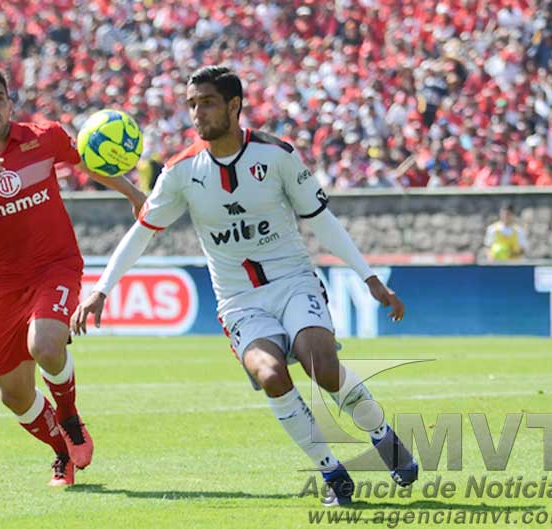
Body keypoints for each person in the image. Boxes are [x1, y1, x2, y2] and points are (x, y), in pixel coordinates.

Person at [71, 66, 418, 506]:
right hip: (238, 301)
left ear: (234, 106)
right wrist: (101, 289)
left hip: (293, 282)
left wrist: (368, 277)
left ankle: (383, 438)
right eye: (192, 104)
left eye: (208, 102)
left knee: (322, 367)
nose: (197, 113)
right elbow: (142, 231)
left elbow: (321, 220)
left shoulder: (277, 155)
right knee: (272, 375)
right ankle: (332, 474)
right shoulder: (180, 172)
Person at [0, 65, 145, 487]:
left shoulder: (43, 136)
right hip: (4, 282)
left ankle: (69, 417)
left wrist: (134, 194)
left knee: (46, 343)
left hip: (56, 265)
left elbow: (90, 163)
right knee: (12, 393)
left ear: (10, 103)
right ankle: (61, 452)